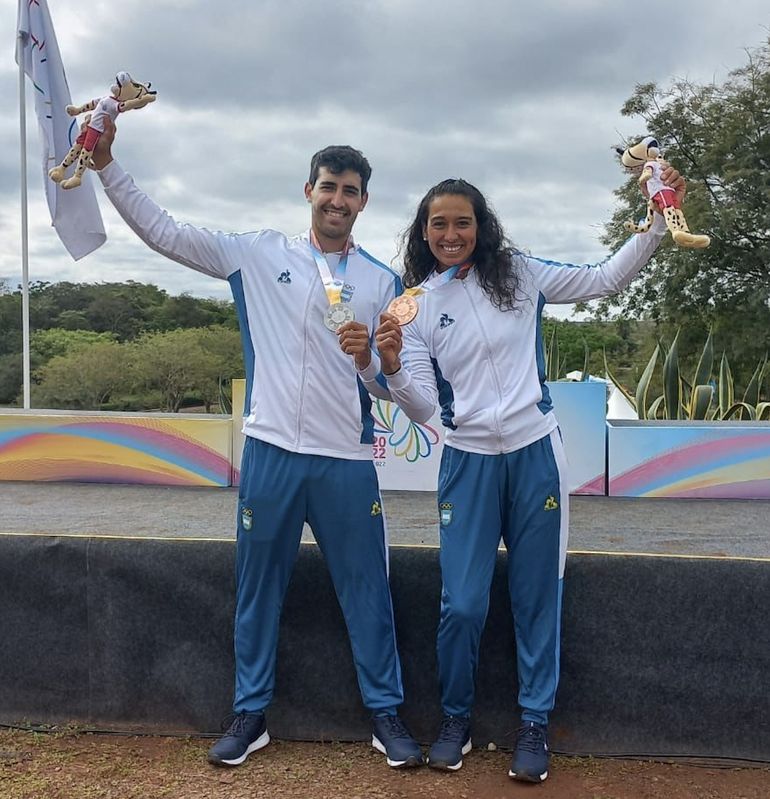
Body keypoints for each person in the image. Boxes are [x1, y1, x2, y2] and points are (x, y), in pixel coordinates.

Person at [90, 119, 423, 770]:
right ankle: (250, 712)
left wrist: (372, 365)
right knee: (257, 588)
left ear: (363, 203)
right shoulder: (258, 253)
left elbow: (389, 390)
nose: (338, 199)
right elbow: (164, 231)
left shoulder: (383, 282)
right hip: (271, 450)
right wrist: (105, 166)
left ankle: (386, 713)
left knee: (367, 590)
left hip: (347, 461)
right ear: (309, 190)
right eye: (329, 186)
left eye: (351, 191)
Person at [366, 170, 684, 782]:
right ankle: (456, 719)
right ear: (423, 232)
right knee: (461, 604)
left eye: (463, 222)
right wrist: (389, 365)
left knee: (537, 597)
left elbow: (604, 279)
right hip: (468, 463)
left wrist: (655, 222)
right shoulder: (416, 305)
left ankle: (534, 723)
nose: (452, 233)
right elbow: (424, 408)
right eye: (439, 224)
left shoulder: (521, 274)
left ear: (480, 226)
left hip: (536, 453)